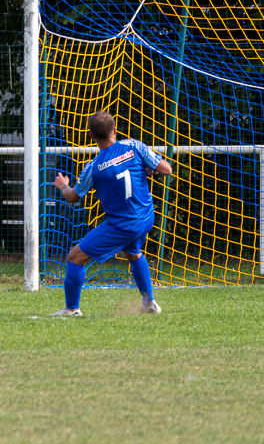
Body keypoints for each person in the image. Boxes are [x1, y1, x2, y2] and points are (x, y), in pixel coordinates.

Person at [50, 110, 173, 316]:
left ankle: (72, 310)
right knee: (133, 253)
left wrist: (63, 186)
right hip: (146, 216)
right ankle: (149, 303)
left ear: (91, 136)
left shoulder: (94, 167)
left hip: (122, 225)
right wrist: (148, 168)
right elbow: (166, 169)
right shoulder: (134, 146)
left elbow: (73, 198)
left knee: (74, 257)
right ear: (115, 130)